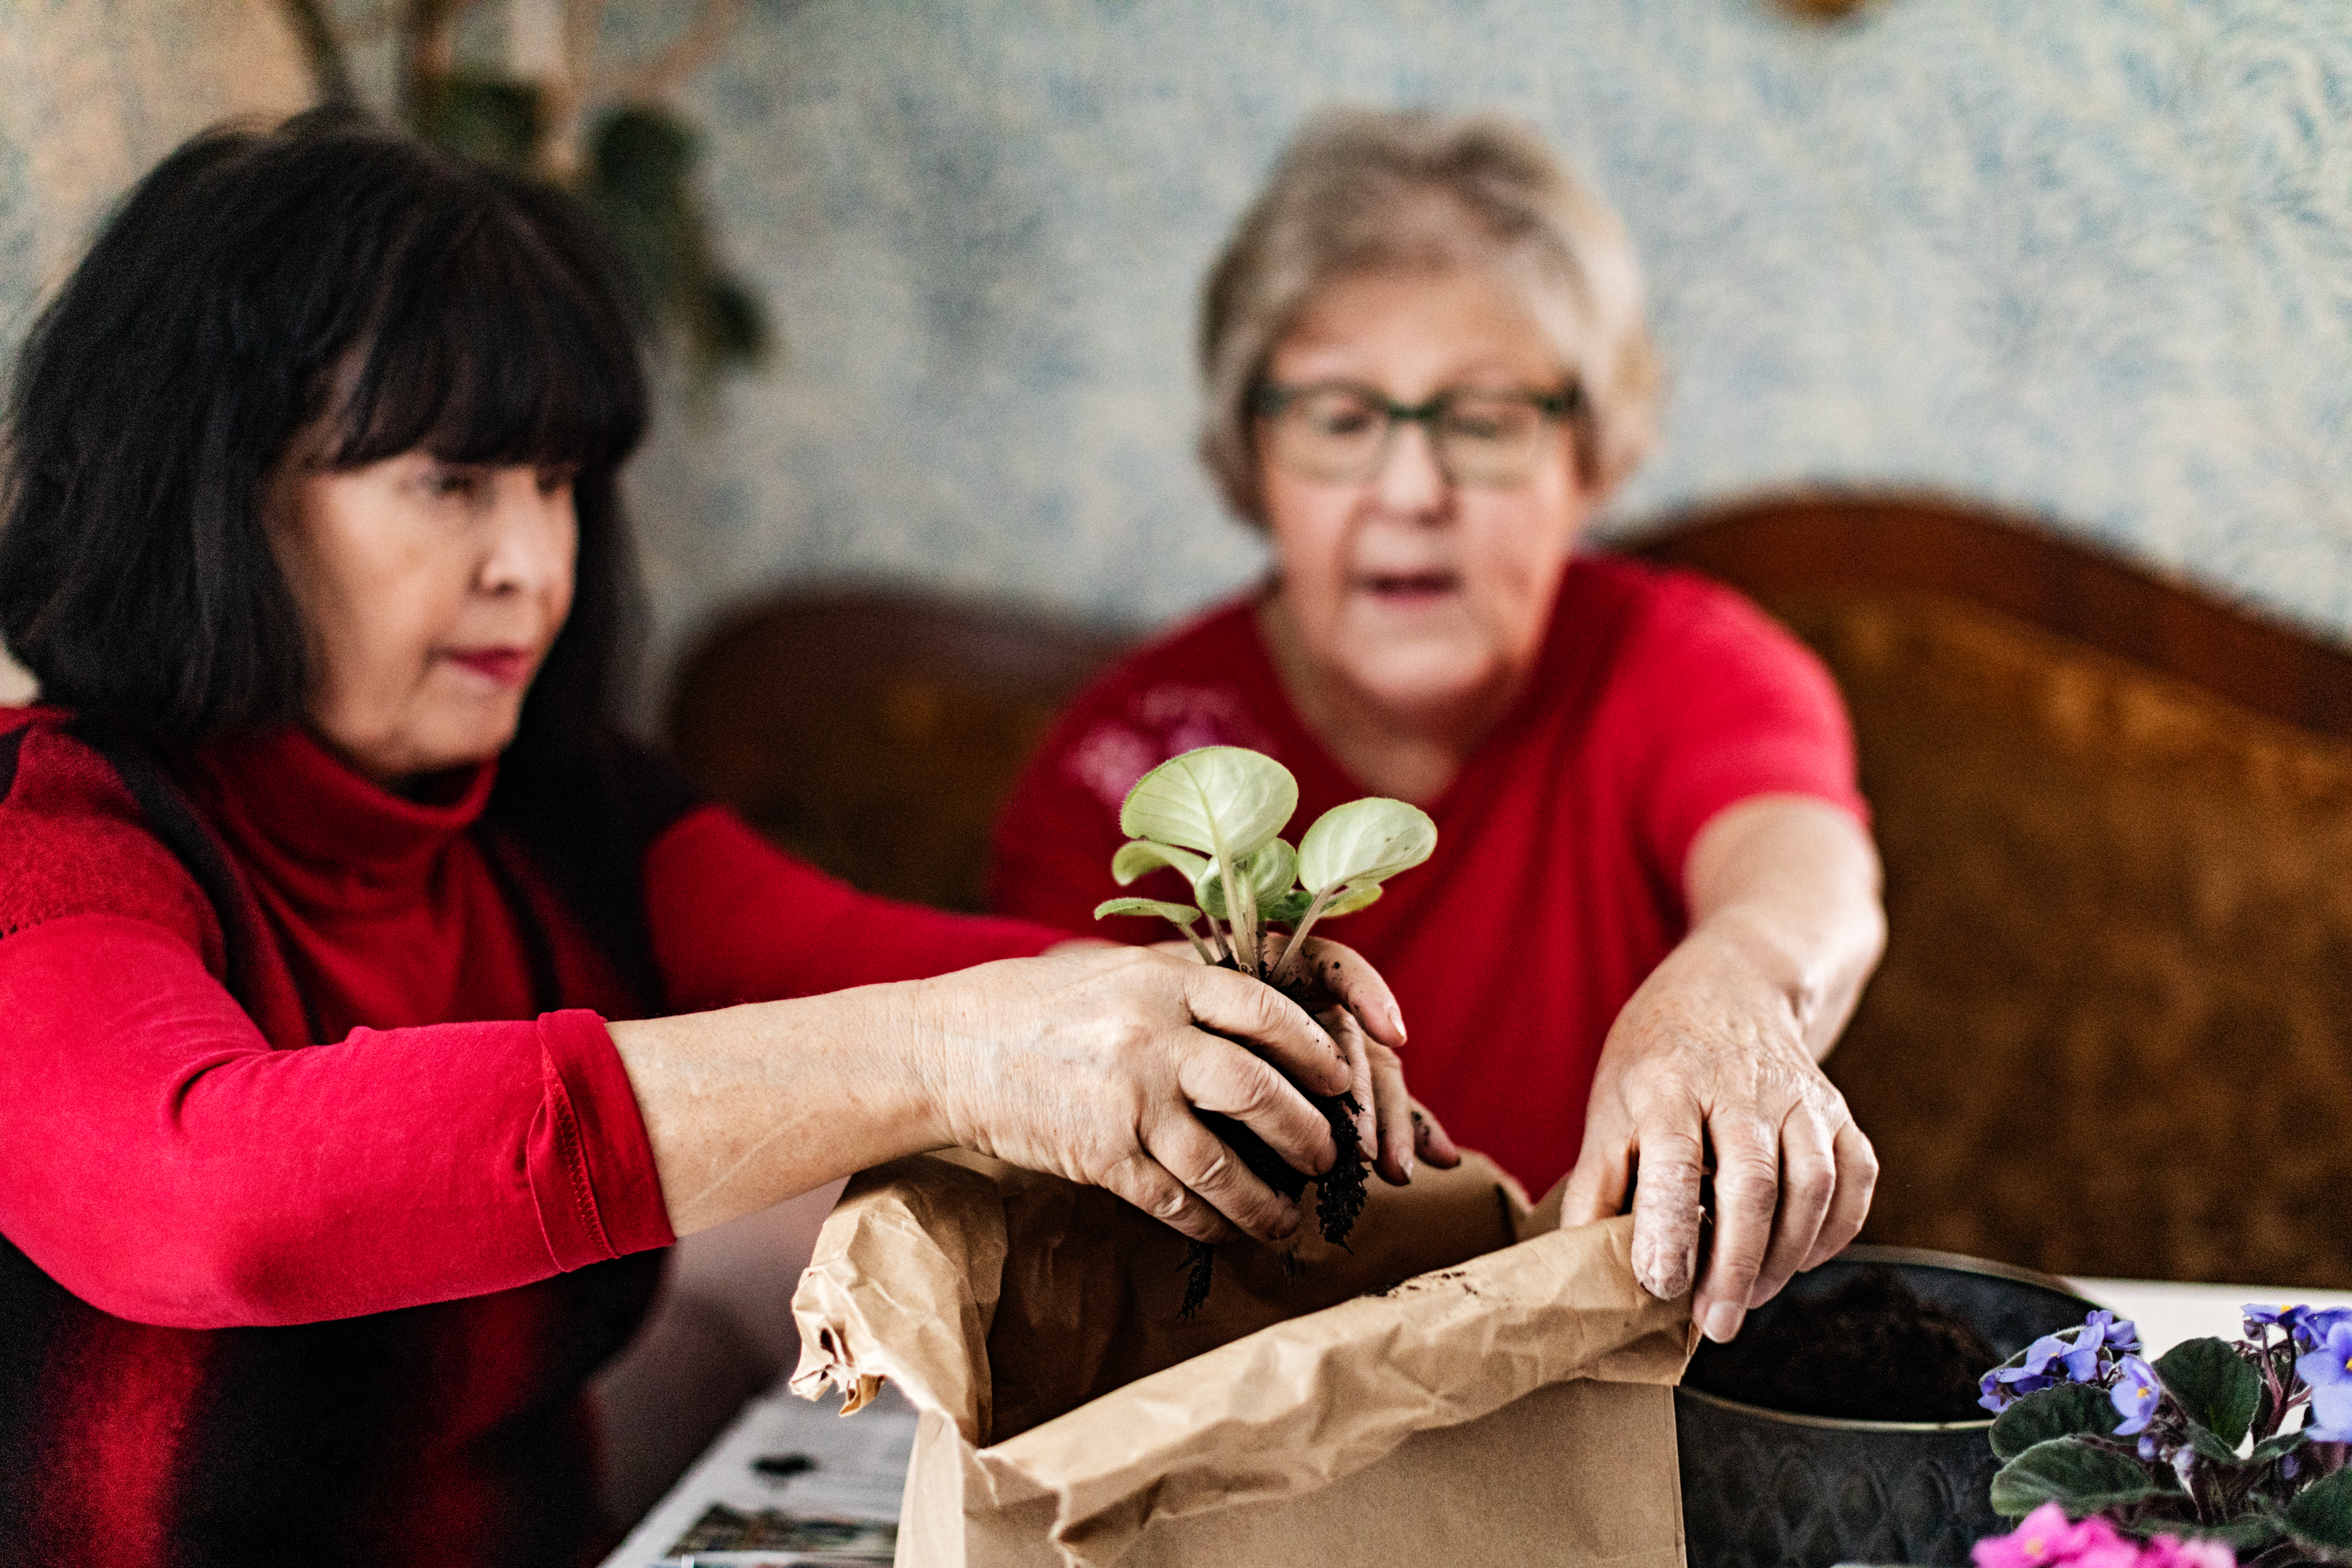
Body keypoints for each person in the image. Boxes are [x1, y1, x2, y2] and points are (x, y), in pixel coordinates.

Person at [0, 111, 1422, 1568]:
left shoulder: (570, 807)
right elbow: (213, 1197)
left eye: (558, 484)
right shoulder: (55, 835)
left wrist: (1193, 1005)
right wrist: (948, 1053)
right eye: (451, 481)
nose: (533, 565)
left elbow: (851, 950)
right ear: (217, 491)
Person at [992, 108, 1888, 1349]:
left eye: (1484, 420)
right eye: (1341, 420)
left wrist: (1734, 989)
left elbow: (1810, 877)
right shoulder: (1127, 761)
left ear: (1593, 453)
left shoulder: (1686, 664)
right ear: (1251, 458)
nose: (1413, 492)